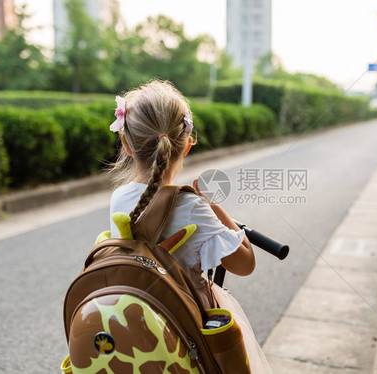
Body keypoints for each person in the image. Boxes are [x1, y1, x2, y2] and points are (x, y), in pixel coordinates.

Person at [107, 79, 272, 373]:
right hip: (183, 331)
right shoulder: (193, 207)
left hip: (136, 321)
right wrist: (217, 210)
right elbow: (245, 264)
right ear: (186, 145)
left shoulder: (118, 198)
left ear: (125, 143)